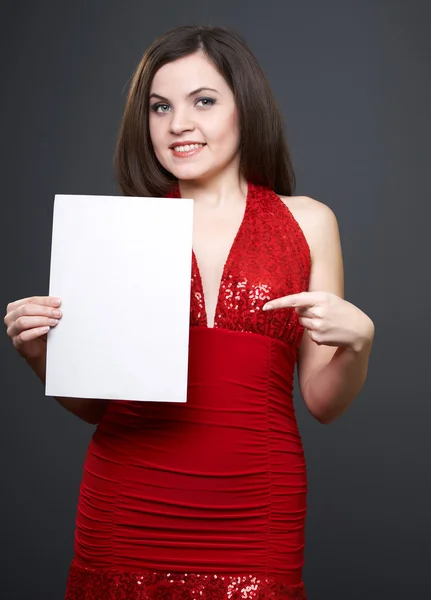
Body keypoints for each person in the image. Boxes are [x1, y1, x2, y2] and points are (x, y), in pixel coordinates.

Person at [4, 25, 375, 600]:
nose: (178, 123)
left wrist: (359, 341)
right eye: (160, 107)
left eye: (203, 101)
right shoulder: (120, 228)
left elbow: (323, 403)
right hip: (127, 503)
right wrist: (39, 355)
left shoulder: (308, 221)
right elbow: (93, 403)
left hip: (257, 506)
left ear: (243, 109)